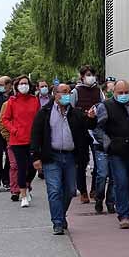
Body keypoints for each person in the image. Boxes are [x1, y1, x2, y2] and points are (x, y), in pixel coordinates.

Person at [30, 83, 95, 234]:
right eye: (63, 92)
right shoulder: (44, 112)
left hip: (71, 157)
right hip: (51, 156)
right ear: (55, 94)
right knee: (54, 190)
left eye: (69, 92)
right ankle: (57, 222)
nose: (67, 95)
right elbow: (35, 135)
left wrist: (91, 118)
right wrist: (35, 156)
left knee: (71, 190)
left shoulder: (76, 113)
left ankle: (61, 213)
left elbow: (88, 127)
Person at [94, 80, 129, 229]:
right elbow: (98, 128)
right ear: (114, 93)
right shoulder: (106, 106)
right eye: (120, 93)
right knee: (121, 181)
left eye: (126, 92)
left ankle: (122, 204)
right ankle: (124, 215)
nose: (124, 95)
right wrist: (108, 143)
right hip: (117, 152)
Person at [0, 76, 40, 208]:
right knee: (21, 167)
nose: (24, 86)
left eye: (26, 83)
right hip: (17, 140)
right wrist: (14, 130)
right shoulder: (12, 101)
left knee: (32, 166)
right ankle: (23, 195)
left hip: (33, 139)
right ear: (17, 86)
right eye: (21, 83)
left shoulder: (35, 100)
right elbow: (5, 119)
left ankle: (27, 185)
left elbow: (39, 118)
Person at [74, 65, 103, 204]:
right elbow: (71, 110)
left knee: (98, 161)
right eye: (87, 75)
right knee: (81, 161)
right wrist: (83, 114)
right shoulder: (76, 91)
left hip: (96, 129)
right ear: (81, 77)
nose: (90, 77)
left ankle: (94, 189)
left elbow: (103, 107)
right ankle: (83, 191)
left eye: (92, 74)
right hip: (81, 130)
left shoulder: (99, 91)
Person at [0, 76, 11, 191]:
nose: (0, 86)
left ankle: (6, 177)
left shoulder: (13, 98)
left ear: (8, 85)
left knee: (10, 156)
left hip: (10, 131)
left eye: (2, 84)